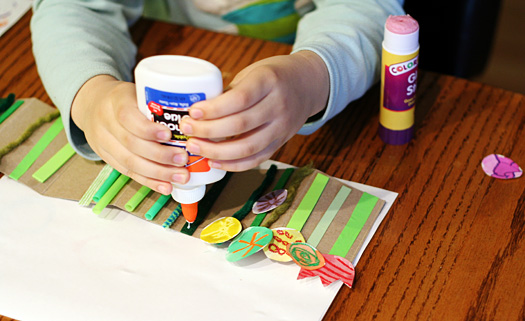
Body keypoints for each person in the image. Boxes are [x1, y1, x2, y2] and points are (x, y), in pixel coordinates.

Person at [30, 0, 405, 195]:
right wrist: (90, 94)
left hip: (301, 94)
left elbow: (369, 13)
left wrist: (312, 77)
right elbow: (72, 8)